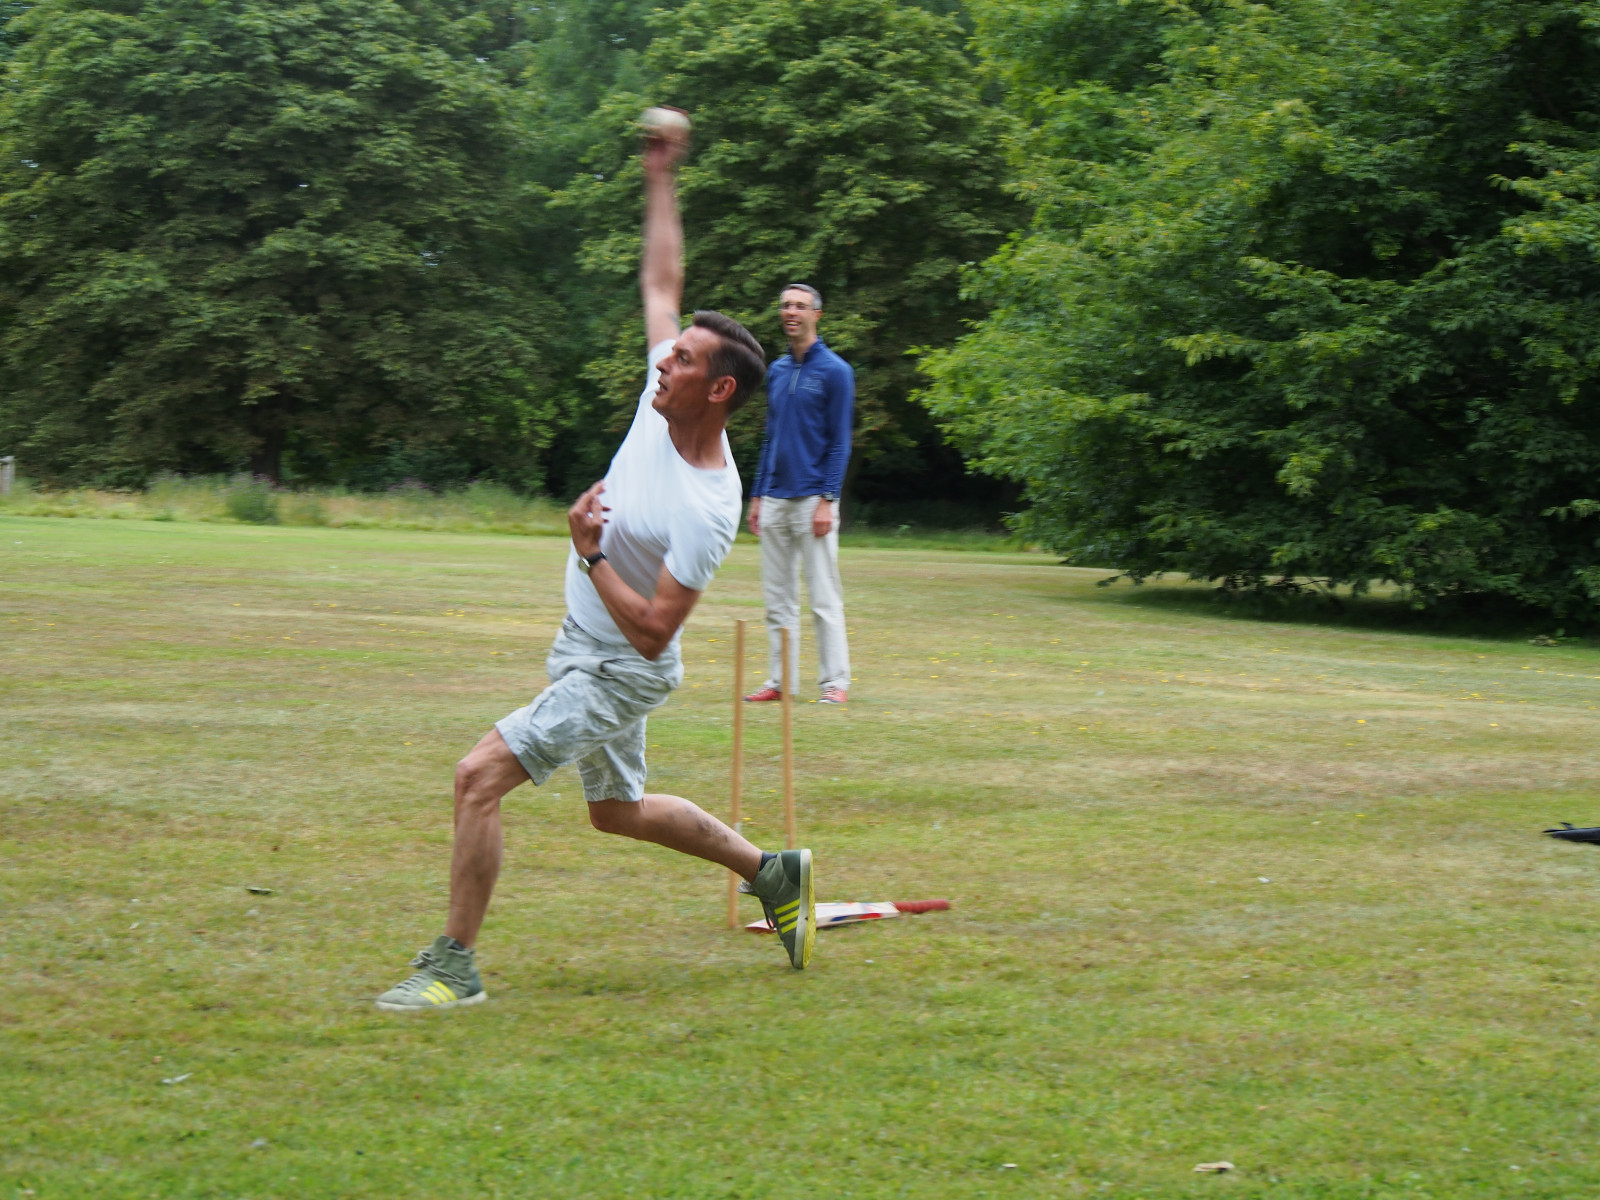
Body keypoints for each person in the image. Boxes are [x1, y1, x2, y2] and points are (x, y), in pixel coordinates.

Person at [376, 110, 815, 1011]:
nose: (662, 365)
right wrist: (660, 175)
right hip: (586, 648)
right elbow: (662, 280)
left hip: (620, 667)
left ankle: (453, 968)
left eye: (681, 362)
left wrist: (591, 556)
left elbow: (654, 634)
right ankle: (772, 872)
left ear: (718, 389)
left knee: (477, 778)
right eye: (669, 353)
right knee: (614, 811)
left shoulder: (707, 505)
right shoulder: (664, 399)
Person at [744, 284, 855, 706]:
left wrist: (828, 498)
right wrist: (758, 495)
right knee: (778, 600)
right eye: (786, 306)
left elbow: (840, 441)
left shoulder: (836, 371)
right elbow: (770, 437)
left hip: (813, 499)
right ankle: (780, 682)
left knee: (823, 597)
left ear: (816, 315)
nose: (791, 312)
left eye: (800, 306)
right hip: (774, 497)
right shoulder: (776, 370)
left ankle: (834, 683)